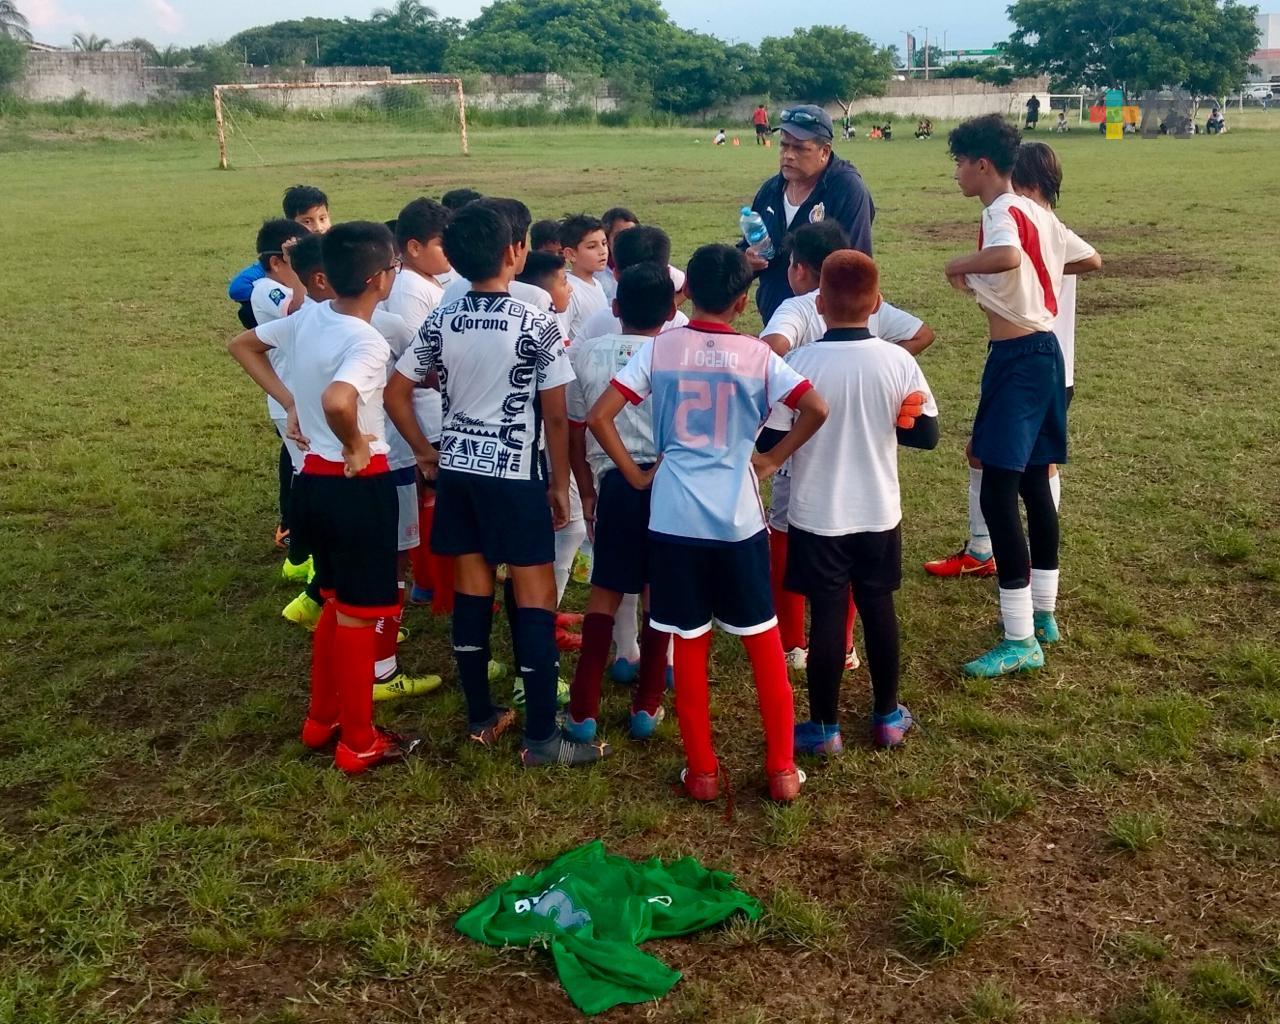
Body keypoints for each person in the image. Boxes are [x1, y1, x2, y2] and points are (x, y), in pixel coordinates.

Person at [586, 243, 829, 804]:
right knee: (763, 643)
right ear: (744, 302)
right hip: (739, 519)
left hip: (674, 517)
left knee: (688, 644)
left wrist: (636, 475)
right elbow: (816, 406)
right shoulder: (758, 355)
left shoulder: (662, 349)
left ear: (685, 293)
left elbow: (600, 417)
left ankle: (702, 771)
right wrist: (769, 460)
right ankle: (782, 770)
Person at [384, 203, 610, 768]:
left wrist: (426, 451)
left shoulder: (444, 318)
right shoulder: (535, 322)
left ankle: (481, 716)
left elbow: (395, 392)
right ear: (514, 254)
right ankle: (541, 739)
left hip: (459, 474)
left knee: (471, 593)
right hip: (514, 476)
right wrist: (560, 485)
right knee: (533, 601)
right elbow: (556, 417)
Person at [229, 221, 422, 774]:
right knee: (362, 616)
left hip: (310, 482)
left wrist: (290, 402)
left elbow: (241, 344)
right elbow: (341, 400)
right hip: (355, 487)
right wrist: (356, 442)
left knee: (336, 605)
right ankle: (359, 741)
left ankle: (322, 720)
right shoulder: (365, 339)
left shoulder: (309, 315)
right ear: (379, 278)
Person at [759, 250, 938, 756]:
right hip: (879, 511)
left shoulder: (799, 363)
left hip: (816, 514)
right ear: (876, 303)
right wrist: (898, 418)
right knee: (879, 612)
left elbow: (772, 435)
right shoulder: (899, 360)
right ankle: (886, 717)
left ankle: (823, 728)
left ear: (818, 303)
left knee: (827, 618)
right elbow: (926, 436)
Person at [940, 115, 1096, 678]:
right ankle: (1044, 613)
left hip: (1018, 363)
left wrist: (958, 265)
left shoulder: (1001, 211)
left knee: (999, 493)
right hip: (1045, 356)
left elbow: (1006, 257)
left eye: (959, 162)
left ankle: (1019, 638)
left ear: (983, 164)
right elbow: (1059, 262)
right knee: (1033, 481)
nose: (955, 173)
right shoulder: (1039, 212)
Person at [564, 264, 677, 743]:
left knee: (605, 592)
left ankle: (582, 711)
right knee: (659, 593)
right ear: (673, 312)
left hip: (613, 484)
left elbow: (575, 430)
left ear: (614, 308)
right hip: (668, 483)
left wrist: (586, 490)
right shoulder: (676, 354)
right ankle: (647, 706)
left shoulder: (586, 354)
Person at [382, 198, 454, 612]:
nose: (448, 253)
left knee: (430, 497)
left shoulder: (425, 283)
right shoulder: (411, 290)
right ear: (412, 247)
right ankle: (433, 584)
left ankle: (431, 582)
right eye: (441, 244)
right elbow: (417, 361)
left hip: (431, 407)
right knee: (434, 497)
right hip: (427, 411)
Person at [743, 104, 875, 323]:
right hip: (776, 319)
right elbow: (748, 244)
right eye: (784, 146)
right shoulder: (771, 189)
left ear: (824, 151)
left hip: (824, 322)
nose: (788, 155)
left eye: (799, 148)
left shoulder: (847, 190)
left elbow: (857, 263)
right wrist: (748, 259)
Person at [249, 219, 310, 569]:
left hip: (302, 398)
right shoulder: (266, 290)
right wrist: (302, 278)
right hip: (287, 399)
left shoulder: (286, 285)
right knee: (306, 478)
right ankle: (300, 554)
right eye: (295, 258)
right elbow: (300, 312)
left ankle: (306, 550)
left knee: (309, 475)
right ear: (277, 261)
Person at [228, 185, 331, 329]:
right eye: (307, 221)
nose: (318, 228)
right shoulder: (265, 287)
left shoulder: (332, 251)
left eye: (323, 218)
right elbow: (302, 313)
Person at [577, 225, 689, 342]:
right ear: (668, 272)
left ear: (616, 274)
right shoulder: (680, 324)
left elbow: (571, 358)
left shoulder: (598, 322)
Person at [560, 213, 611, 341]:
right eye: (592, 246)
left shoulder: (597, 283)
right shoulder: (570, 291)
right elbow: (562, 337)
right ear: (570, 254)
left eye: (604, 244)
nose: (602, 251)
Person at [595, 207, 638, 301]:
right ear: (606, 241)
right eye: (621, 236)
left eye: (633, 234)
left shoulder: (650, 264)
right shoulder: (596, 275)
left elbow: (678, 288)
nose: (628, 240)